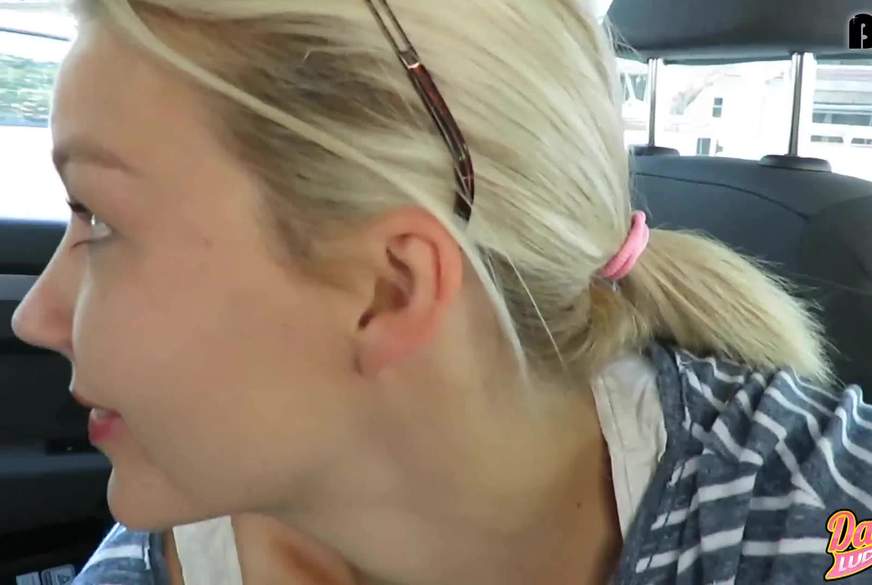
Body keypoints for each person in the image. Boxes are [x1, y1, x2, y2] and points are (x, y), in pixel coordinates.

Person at [11, 0, 872, 584]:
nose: (34, 315)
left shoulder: (815, 522)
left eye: (101, 220)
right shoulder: (161, 552)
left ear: (389, 289)